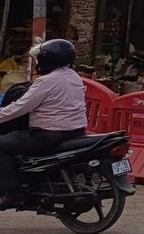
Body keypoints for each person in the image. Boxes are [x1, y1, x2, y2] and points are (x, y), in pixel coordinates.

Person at [0, 39, 88, 208]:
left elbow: (20, 107)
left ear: (49, 59)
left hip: (48, 134)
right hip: (76, 131)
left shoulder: (47, 81)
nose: (38, 62)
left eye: (40, 58)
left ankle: (13, 193)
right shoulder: (74, 76)